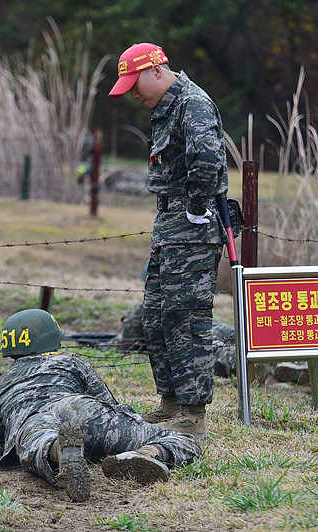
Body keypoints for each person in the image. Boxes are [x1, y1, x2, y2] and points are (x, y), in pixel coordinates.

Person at [109, 43, 229, 436]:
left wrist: (196, 208)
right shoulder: (164, 108)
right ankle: (171, 401)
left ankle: (193, 415)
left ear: (156, 71)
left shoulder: (192, 103)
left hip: (192, 228)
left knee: (187, 316)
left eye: (135, 84)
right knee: (158, 315)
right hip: (169, 225)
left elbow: (207, 160)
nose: (134, 94)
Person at [0, 309, 202, 503]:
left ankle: (57, 451)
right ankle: (148, 453)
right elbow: (109, 404)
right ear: (51, 338)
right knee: (180, 439)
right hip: (75, 407)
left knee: (39, 445)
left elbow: (2, 444)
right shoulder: (71, 361)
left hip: (31, 421)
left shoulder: (3, 383)